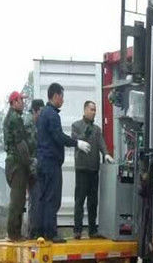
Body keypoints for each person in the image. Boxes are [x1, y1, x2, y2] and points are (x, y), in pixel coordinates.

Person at [34, 83, 91, 243]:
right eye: (62, 97)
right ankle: (51, 233)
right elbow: (58, 137)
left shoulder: (42, 114)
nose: (63, 100)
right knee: (52, 198)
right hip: (51, 163)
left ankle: (40, 232)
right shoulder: (52, 115)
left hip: (42, 161)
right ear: (56, 96)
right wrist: (77, 143)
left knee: (42, 198)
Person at [71, 100, 114, 239]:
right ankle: (77, 230)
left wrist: (106, 154)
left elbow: (101, 143)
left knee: (93, 202)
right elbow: (75, 139)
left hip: (94, 169)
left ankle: (92, 230)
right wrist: (85, 133)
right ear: (85, 110)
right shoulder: (76, 125)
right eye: (91, 109)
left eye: (95, 110)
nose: (94, 112)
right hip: (82, 168)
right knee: (79, 200)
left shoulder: (97, 129)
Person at [3, 91, 31, 241]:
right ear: (14, 102)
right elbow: (21, 144)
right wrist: (29, 163)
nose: (23, 103)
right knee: (17, 199)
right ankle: (13, 234)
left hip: (13, 162)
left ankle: (15, 233)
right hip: (17, 163)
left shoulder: (12, 117)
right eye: (20, 100)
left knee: (19, 199)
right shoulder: (15, 119)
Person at [24, 99, 44, 238]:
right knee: (35, 199)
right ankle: (33, 231)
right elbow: (29, 148)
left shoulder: (34, 123)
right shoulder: (29, 124)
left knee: (37, 199)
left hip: (34, 167)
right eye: (41, 111)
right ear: (36, 110)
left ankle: (35, 230)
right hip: (31, 168)